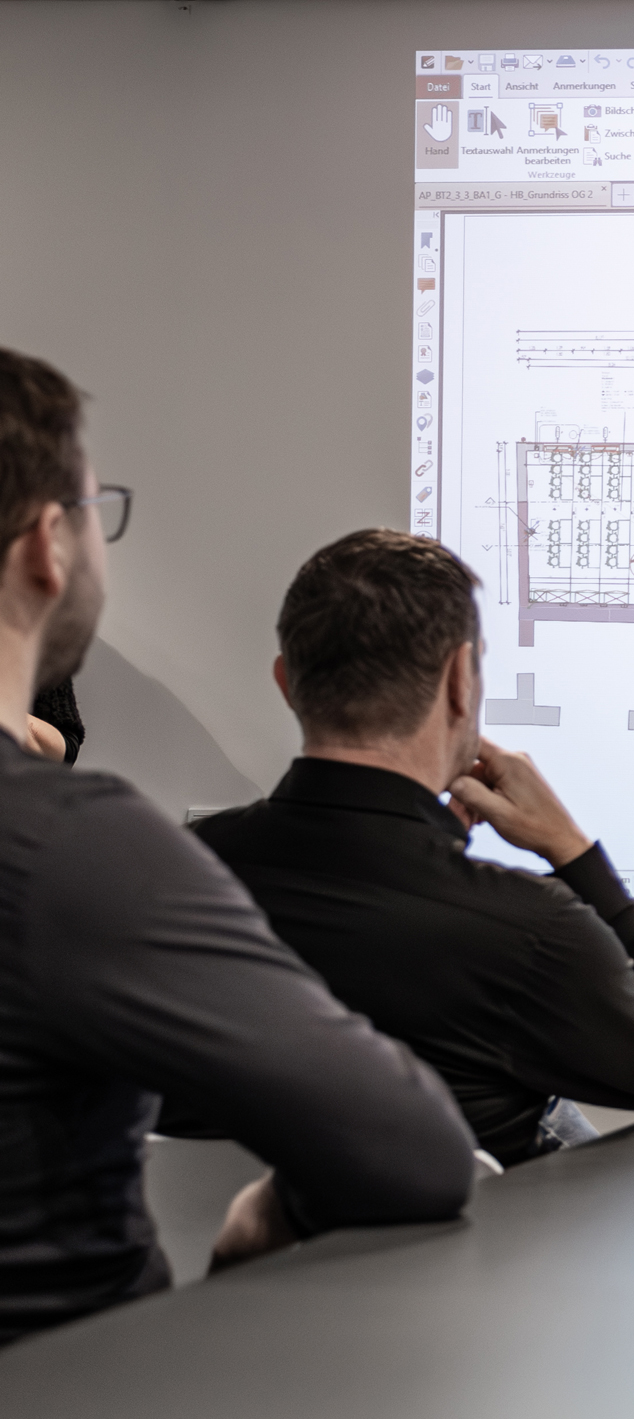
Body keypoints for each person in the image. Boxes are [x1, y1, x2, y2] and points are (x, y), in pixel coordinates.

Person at [0, 349, 474, 1348]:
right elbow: (411, 1151)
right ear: (47, 544)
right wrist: (268, 1215)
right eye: (95, 511)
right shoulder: (74, 848)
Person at [195, 530, 634, 1166]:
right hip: (460, 1231)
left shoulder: (175, 870)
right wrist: (573, 852)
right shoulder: (528, 928)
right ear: (459, 681)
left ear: (285, 680)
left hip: (213, 1228)